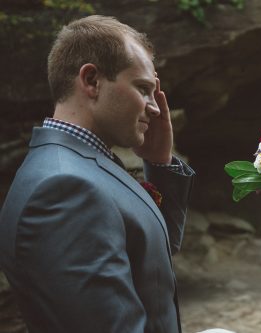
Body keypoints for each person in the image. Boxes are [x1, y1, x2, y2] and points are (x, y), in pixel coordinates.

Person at [0, 15, 195, 333]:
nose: (156, 107)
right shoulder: (64, 188)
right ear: (91, 81)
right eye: (143, 89)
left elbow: (153, 258)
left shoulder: (79, 164)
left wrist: (159, 164)